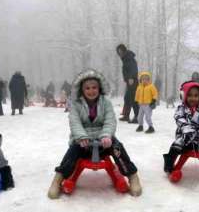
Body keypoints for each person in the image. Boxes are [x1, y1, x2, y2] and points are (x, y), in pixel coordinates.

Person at [47, 69, 142, 199]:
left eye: (94, 87)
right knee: (72, 151)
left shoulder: (106, 103)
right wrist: (81, 137)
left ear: (99, 88)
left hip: (103, 142)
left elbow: (110, 120)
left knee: (117, 147)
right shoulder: (76, 105)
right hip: (83, 143)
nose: (91, 91)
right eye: (87, 88)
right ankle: (59, 178)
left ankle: (131, 174)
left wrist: (106, 135)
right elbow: (75, 122)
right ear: (82, 90)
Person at [116, 44, 139, 123]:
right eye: (118, 51)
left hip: (132, 81)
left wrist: (131, 78)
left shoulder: (129, 57)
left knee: (133, 99)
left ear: (124, 50)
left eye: (121, 51)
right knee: (127, 98)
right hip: (129, 81)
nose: (120, 53)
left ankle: (137, 116)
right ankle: (126, 115)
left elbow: (133, 68)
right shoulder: (125, 58)